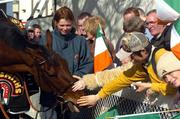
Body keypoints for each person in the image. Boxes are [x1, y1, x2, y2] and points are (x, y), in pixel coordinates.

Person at [75, 32, 176, 107]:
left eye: (132, 56)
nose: (131, 59)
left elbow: (173, 88)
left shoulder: (162, 59)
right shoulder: (142, 65)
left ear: (143, 51)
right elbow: (121, 80)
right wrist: (97, 97)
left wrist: (149, 86)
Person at [39, 6, 93, 119]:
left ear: (72, 23)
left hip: (73, 93)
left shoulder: (80, 41)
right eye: (61, 25)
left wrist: (77, 75)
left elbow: (88, 63)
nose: (65, 28)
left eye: (68, 25)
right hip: (50, 95)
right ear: (56, 23)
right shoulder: (45, 40)